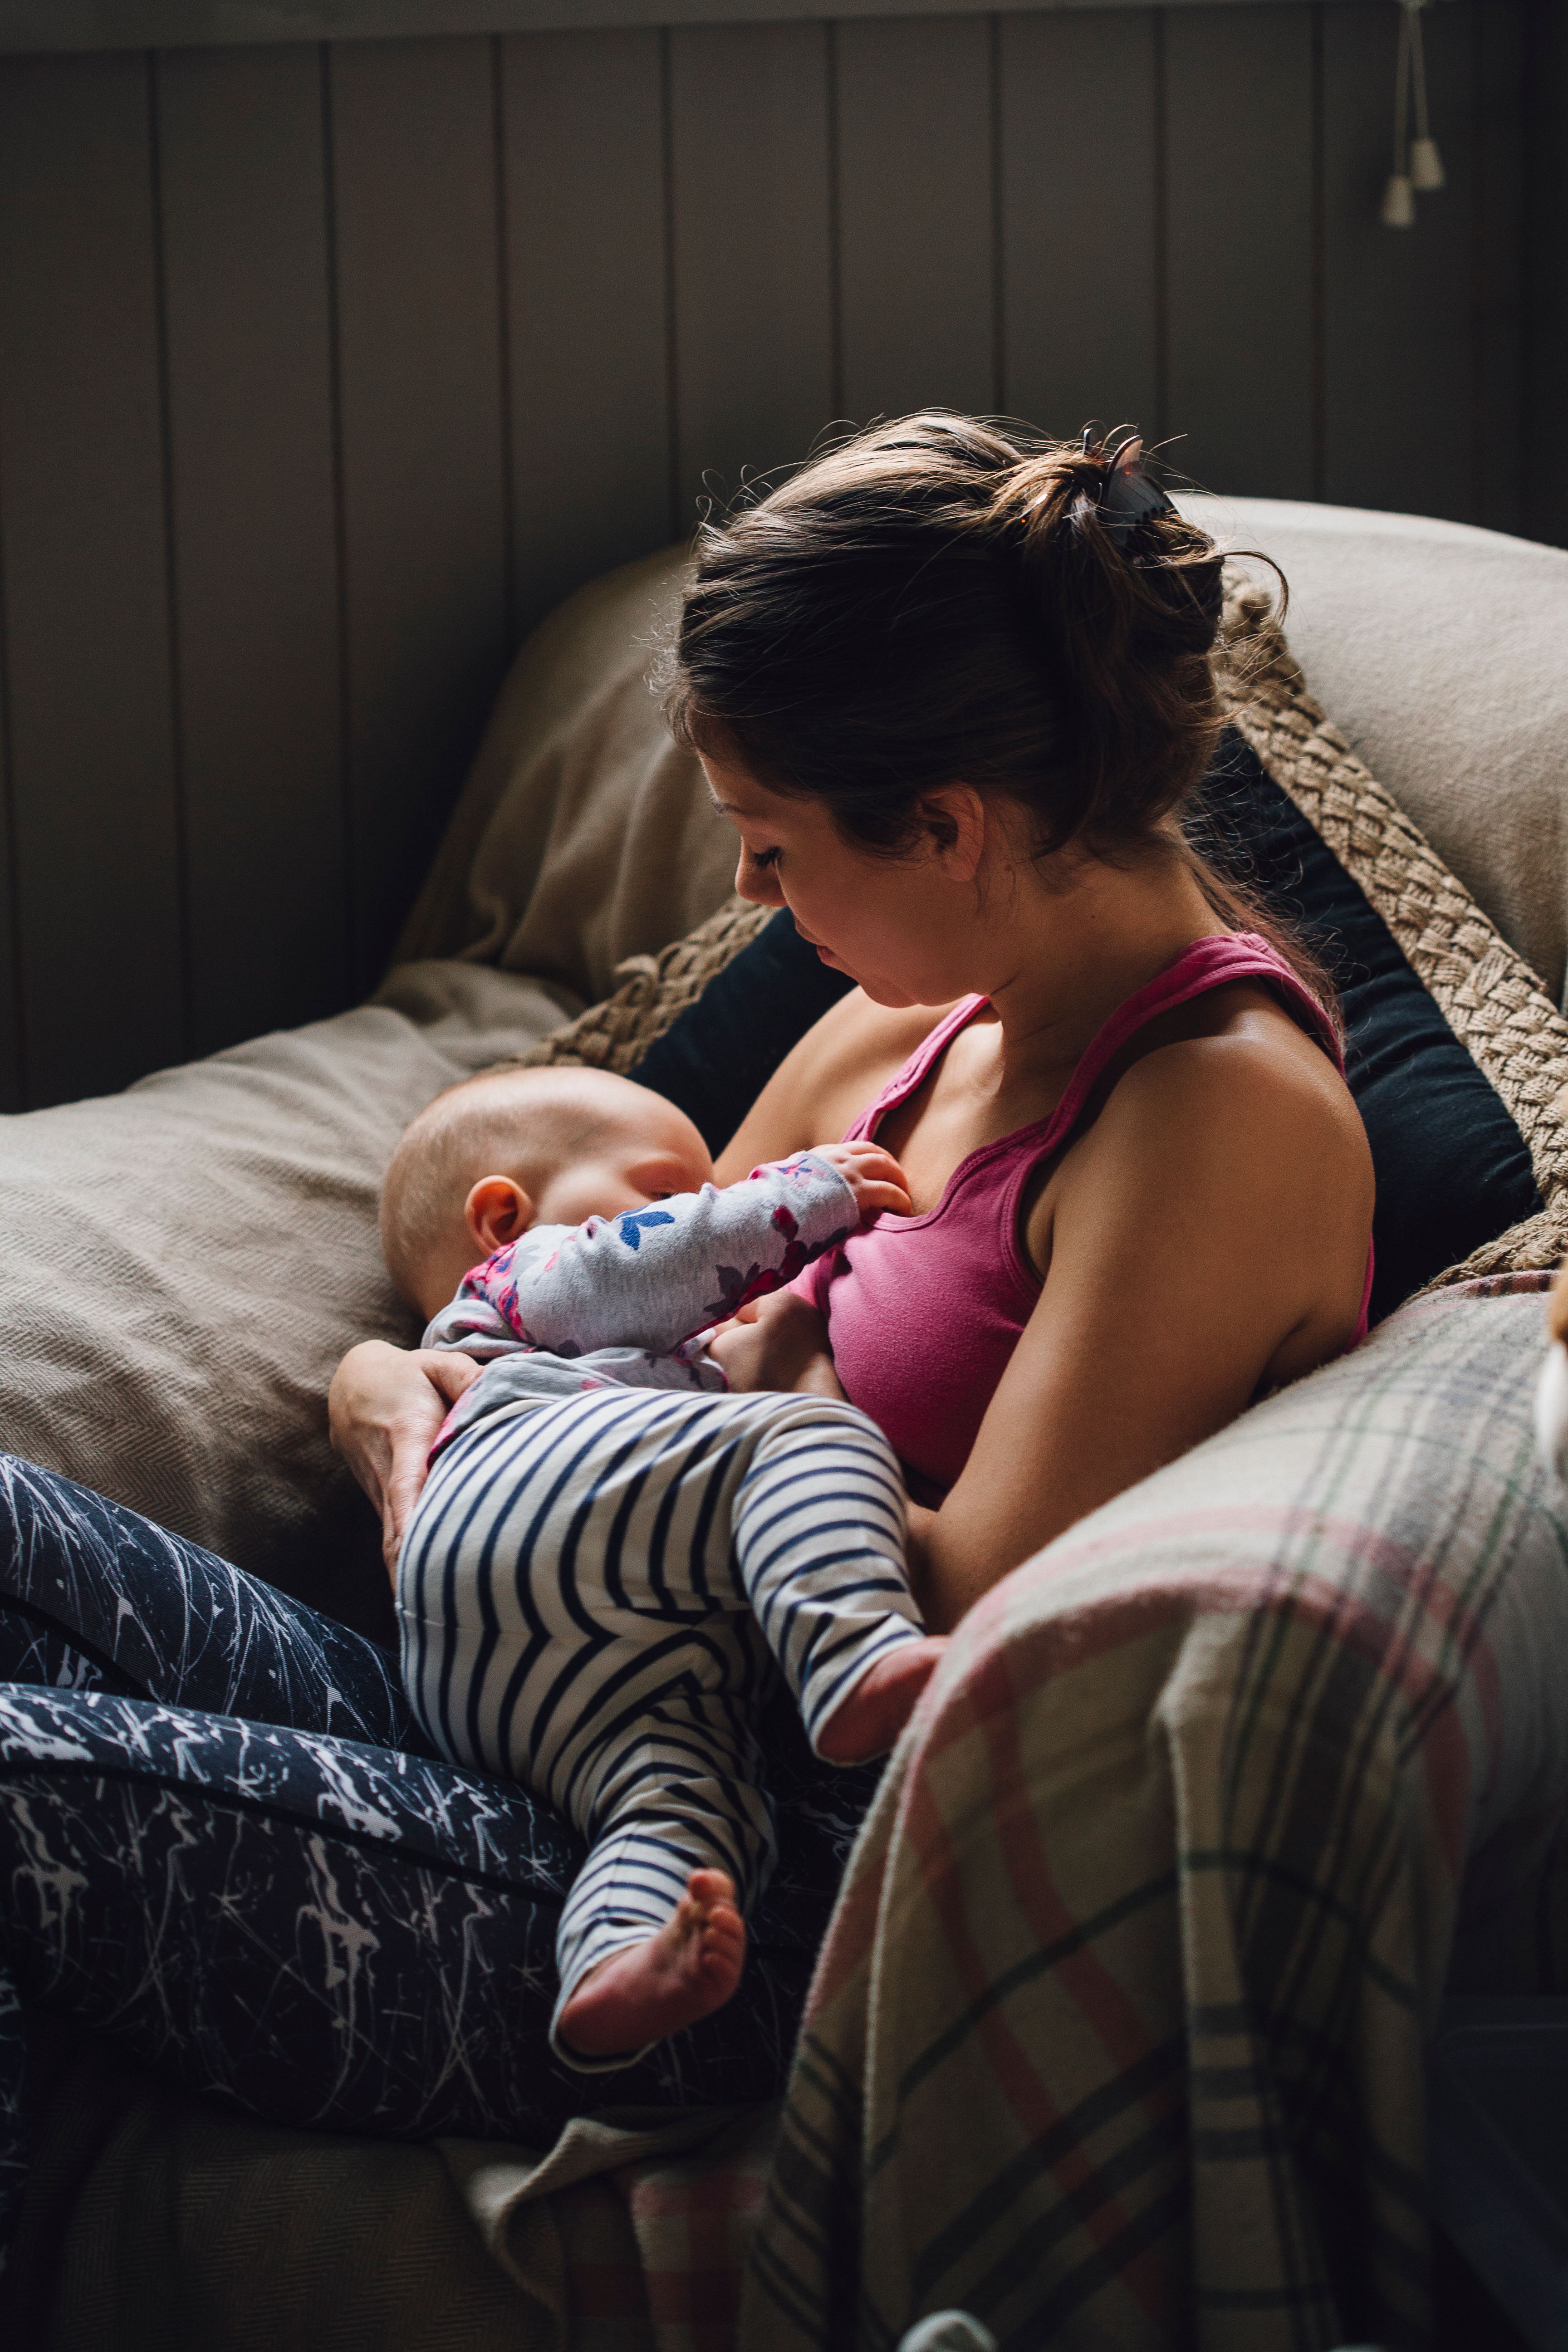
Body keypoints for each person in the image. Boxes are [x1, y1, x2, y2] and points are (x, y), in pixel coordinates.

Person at [0, 412, 1372, 2258]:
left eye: (772, 846)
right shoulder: (911, 1028)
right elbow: (638, 1323)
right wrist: (395, 1386)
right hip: (503, 1692)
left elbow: (942, 1629)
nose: (752, 903)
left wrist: (638, 1414)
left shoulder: (1217, 1119)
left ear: (950, 827)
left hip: (702, 1876)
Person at [381, 1062, 941, 2065]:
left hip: (506, 1682)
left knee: (690, 1794)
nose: (698, 1210)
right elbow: (641, 1267)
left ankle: (620, 1960)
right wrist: (799, 1196)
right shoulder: (524, 1283)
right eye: (668, 1195)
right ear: (503, 1218)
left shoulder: (667, 1374)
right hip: (525, 1487)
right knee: (808, 1439)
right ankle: (856, 1652)